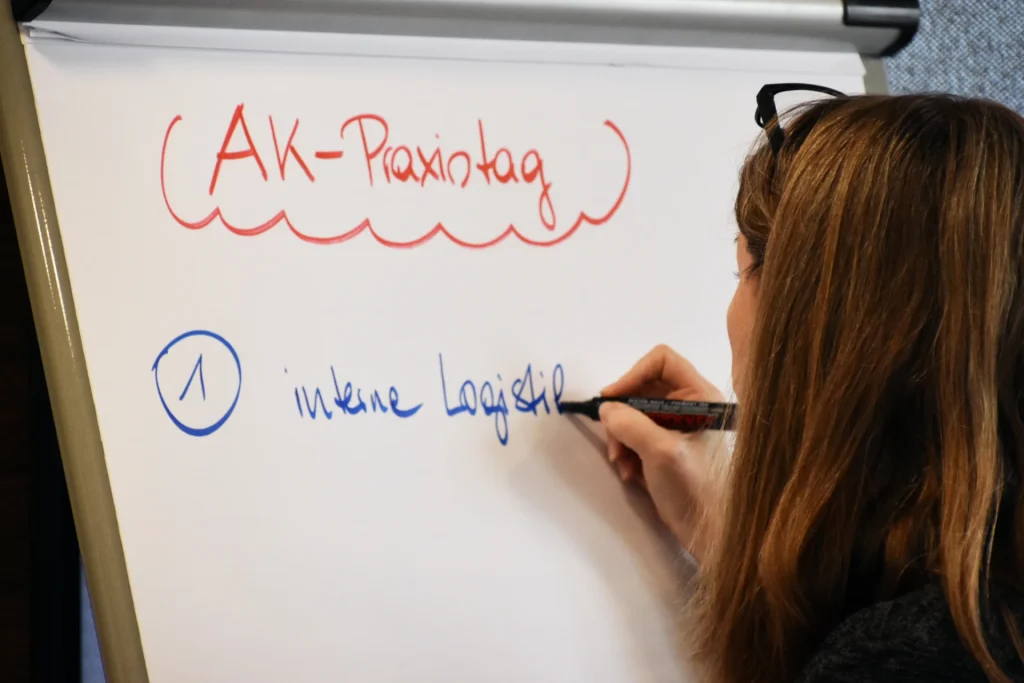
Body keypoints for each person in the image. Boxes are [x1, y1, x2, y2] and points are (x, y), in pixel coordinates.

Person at [598, 86, 1024, 683]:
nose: (732, 312)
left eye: (743, 271)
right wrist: (724, 537)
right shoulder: (981, 604)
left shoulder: (897, 659)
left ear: (811, 331)